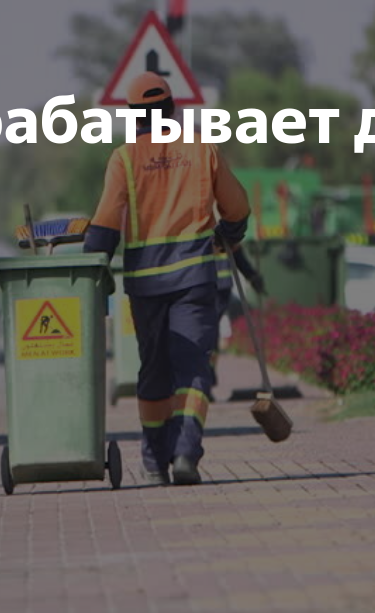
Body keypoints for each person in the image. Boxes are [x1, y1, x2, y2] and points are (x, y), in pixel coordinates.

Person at [84, 72, 251, 485]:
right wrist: (227, 235)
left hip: (145, 285)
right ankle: (184, 454)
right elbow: (238, 208)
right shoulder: (201, 147)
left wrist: (89, 272)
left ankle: (155, 459)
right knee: (193, 368)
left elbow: (105, 226)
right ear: (172, 108)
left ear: (134, 115)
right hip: (194, 278)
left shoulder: (124, 159)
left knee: (153, 369)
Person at [211, 243, 265, 386]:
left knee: (207, 332)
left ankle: (206, 375)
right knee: (209, 332)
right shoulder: (220, 221)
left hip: (213, 286)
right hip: (216, 285)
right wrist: (251, 275)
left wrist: (252, 276)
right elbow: (236, 250)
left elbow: (235, 250)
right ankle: (207, 375)